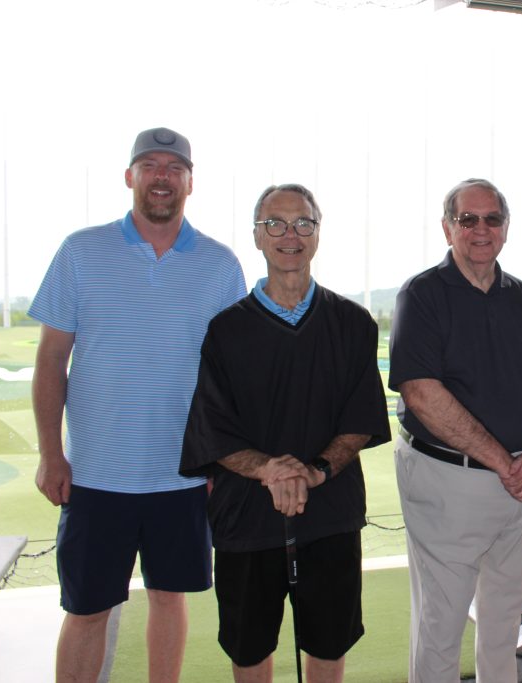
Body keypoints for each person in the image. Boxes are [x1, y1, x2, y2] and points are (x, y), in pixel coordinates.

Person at [29, 127, 246, 682]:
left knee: (170, 601)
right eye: (150, 165)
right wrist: (51, 455)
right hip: (96, 475)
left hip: (182, 477)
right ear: (130, 177)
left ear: (190, 183)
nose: (161, 177)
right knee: (86, 611)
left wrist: (222, 459)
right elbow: (52, 360)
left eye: (173, 168)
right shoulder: (81, 250)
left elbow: (230, 376)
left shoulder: (221, 266)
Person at [179, 183, 390, 682]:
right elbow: (213, 427)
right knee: (249, 648)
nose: (289, 235)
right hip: (246, 518)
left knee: (329, 642)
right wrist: (270, 470)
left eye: (303, 223)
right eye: (275, 223)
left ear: (318, 233)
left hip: (330, 515)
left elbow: (359, 420)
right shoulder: (225, 330)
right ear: (256, 236)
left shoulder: (353, 323)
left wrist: (314, 472)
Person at [389, 178, 522, 683]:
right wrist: (506, 462)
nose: (481, 229)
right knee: (441, 623)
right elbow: (421, 392)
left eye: (492, 219)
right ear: (448, 228)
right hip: (449, 482)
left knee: (505, 621)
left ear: (506, 229)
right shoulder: (421, 295)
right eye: (468, 219)